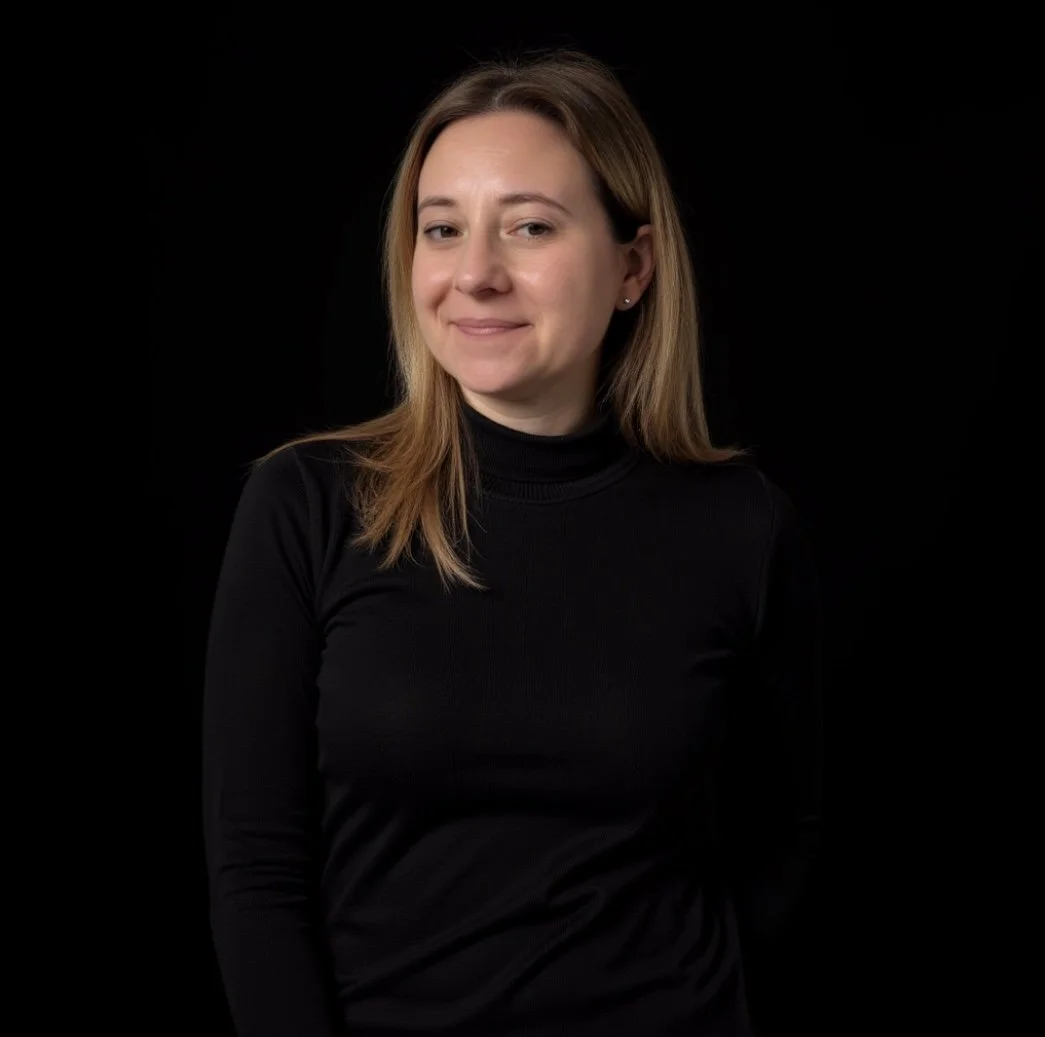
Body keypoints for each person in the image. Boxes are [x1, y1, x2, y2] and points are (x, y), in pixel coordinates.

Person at [202, 48, 822, 1037]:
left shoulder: (739, 523)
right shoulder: (308, 503)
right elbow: (257, 869)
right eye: (441, 228)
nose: (474, 275)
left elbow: (787, 838)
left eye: (530, 226)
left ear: (633, 267)